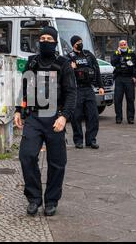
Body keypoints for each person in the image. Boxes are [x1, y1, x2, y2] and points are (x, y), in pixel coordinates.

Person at [14, 26, 76, 217]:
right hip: (34, 117)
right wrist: (18, 109)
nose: (46, 41)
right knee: (27, 156)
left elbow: (72, 92)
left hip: (55, 117)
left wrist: (64, 117)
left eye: (50, 38)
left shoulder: (63, 63)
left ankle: (51, 200)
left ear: (55, 42)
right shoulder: (32, 62)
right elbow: (24, 87)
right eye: (43, 38)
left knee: (57, 162)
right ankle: (34, 199)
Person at [68, 35, 104, 149]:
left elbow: (96, 69)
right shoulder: (69, 57)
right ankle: (78, 140)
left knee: (93, 115)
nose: (80, 43)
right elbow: (65, 74)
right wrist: (71, 69)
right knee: (76, 116)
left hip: (89, 88)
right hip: (77, 89)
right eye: (78, 42)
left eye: (81, 41)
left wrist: (100, 86)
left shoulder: (88, 54)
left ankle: (91, 140)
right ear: (73, 44)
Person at [111, 40, 136, 124]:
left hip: (129, 79)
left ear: (127, 45)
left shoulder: (132, 54)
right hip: (119, 78)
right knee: (117, 99)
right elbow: (112, 62)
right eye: (121, 45)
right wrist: (118, 54)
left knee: (130, 99)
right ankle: (118, 117)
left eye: (124, 44)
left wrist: (135, 77)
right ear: (119, 46)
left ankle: (130, 118)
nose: (123, 46)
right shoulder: (116, 53)